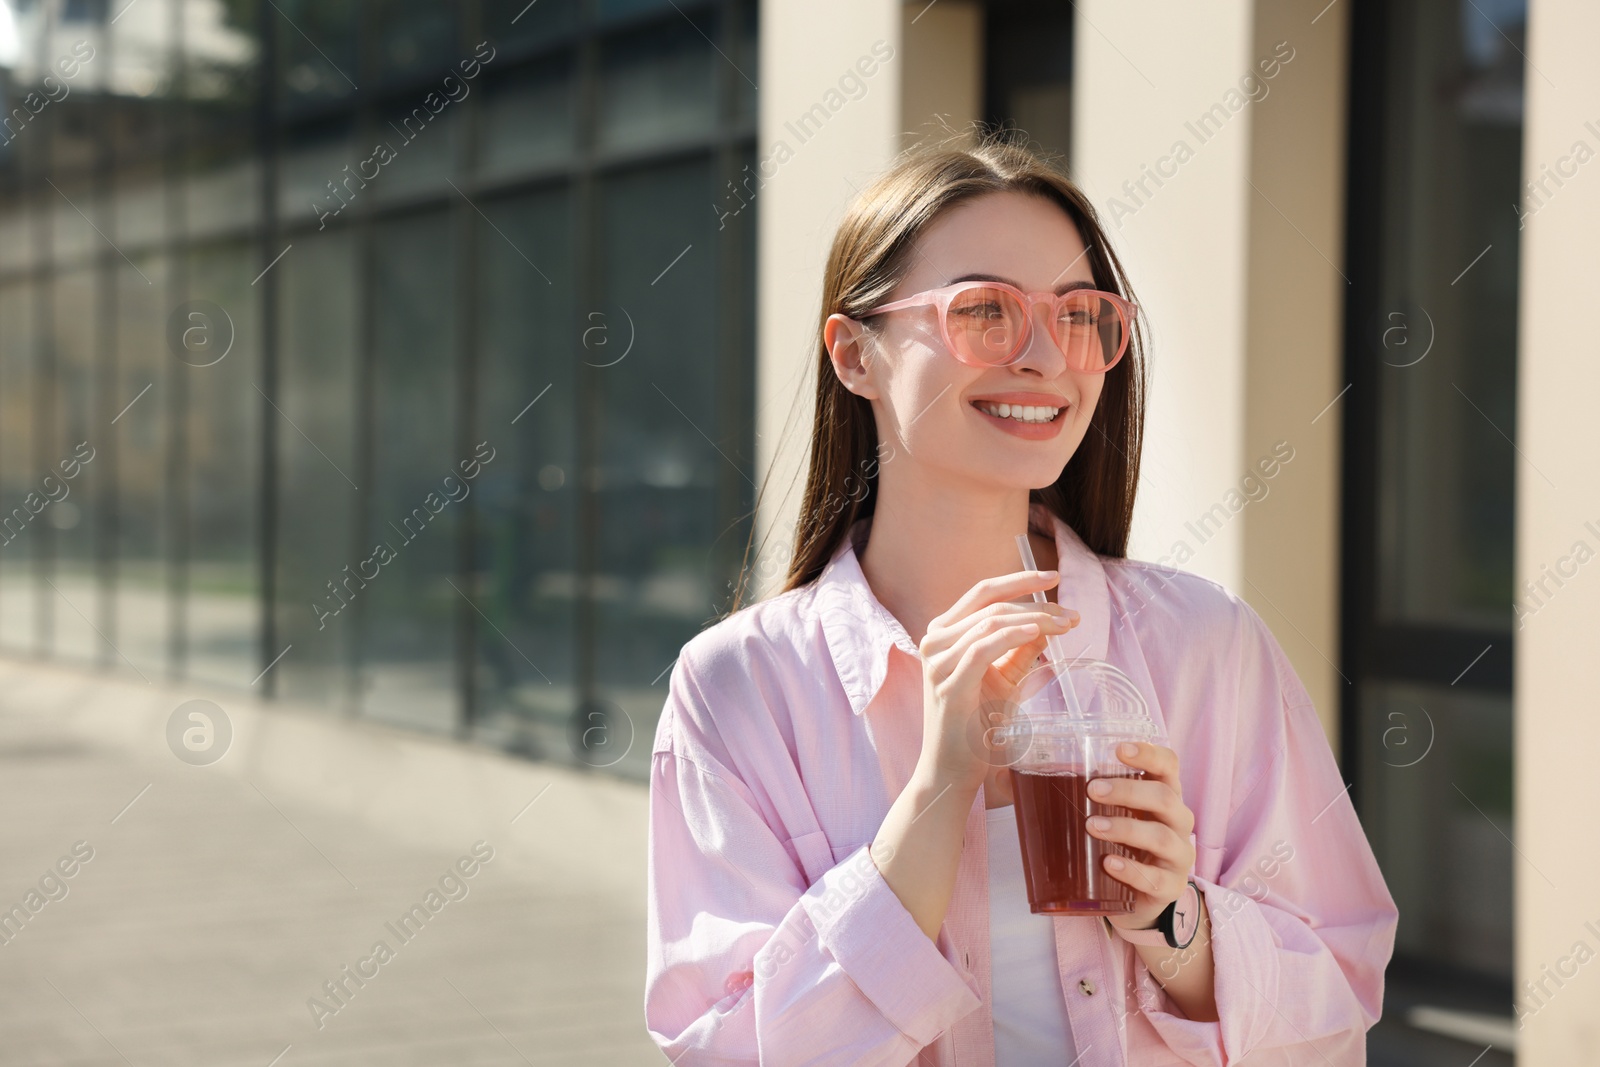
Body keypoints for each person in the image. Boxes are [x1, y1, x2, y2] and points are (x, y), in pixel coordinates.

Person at [643, 133, 1398, 1066]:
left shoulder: (1208, 644)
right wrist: (938, 787)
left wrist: (1178, 924)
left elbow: (1336, 1004)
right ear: (854, 354)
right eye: (986, 311)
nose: (1047, 356)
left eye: (1081, 316)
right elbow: (723, 1050)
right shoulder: (739, 690)